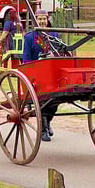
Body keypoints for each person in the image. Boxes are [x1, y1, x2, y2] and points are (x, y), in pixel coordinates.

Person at [22, 11, 59, 141]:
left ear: (47, 20)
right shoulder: (29, 37)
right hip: (36, 75)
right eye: (39, 19)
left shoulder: (54, 34)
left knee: (55, 101)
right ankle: (43, 129)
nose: (42, 21)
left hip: (52, 74)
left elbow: (59, 53)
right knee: (43, 100)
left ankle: (47, 123)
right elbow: (26, 59)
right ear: (35, 21)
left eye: (44, 19)